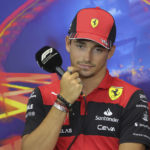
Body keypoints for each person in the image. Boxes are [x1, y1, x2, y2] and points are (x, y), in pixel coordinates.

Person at [22, 7, 150, 150]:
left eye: (98, 49)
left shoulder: (131, 97)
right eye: (81, 45)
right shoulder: (42, 95)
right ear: (68, 44)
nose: (87, 58)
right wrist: (62, 102)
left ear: (110, 52)